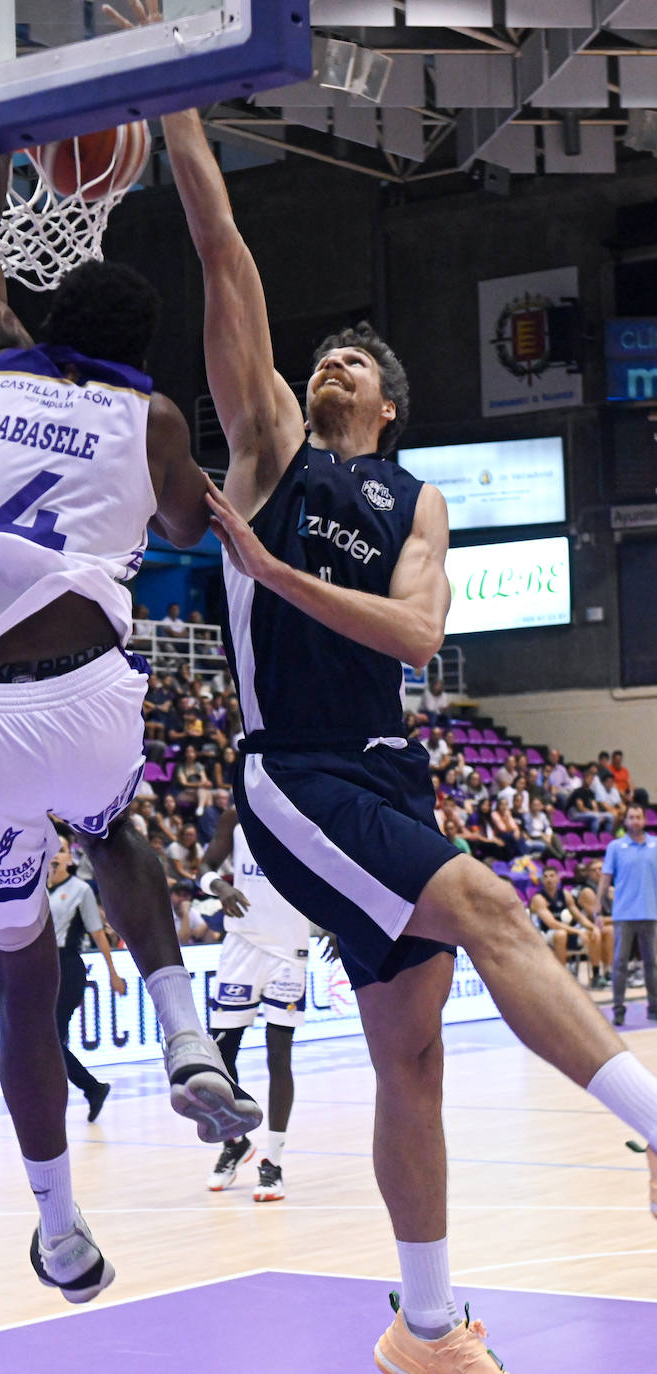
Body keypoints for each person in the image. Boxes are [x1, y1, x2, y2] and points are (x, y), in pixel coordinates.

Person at [152, 76, 657, 1372]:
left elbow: (418, 639)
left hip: (389, 770)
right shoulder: (267, 447)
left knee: (413, 1059)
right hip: (293, 777)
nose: (333, 359)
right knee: (493, 905)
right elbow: (220, 245)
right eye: (326, 351)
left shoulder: (416, 504)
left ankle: (424, 1327)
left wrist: (276, 576)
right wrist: (175, 103)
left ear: (387, 405)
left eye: (358, 361)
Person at [0, 146, 261, 1306]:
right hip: (89, 694)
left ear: (41, 316)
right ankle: (181, 1029)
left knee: (21, 982)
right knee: (115, 834)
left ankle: (59, 1232)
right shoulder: (149, 415)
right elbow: (177, 526)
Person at [201, 808, 312, 1202]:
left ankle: (274, 1164)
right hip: (242, 945)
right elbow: (205, 868)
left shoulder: (306, 816)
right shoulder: (234, 818)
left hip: (289, 950)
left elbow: (335, 878)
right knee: (219, 1057)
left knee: (279, 1057)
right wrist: (221, 888)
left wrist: (338, 926)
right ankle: (235, 1140)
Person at [48, 833, 125, 1122]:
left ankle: (92, 1087)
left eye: (62, 850)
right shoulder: (37, 888)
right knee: (48, 1041)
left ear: (70, 858)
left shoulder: (80, 889)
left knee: (51, 1038)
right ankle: (76, 1093)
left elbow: (97, 932)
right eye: (51, 849)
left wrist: (113, 973)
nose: (55, 854)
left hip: (68, 966)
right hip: (41, 968)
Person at [595, 804, 657, 1027]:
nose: (635, 821)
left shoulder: (655, 845)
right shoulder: (616, 846)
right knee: (620, 963)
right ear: (626, 821)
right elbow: (605, 878)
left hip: (650, 912)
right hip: (624, 914)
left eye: (638, 817)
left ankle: (654, 1007)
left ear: (644, 820)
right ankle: (618, 1009)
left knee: (652, 963)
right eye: (631, 817)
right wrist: (598, 907)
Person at [529, 864, 608, 986]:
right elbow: (552, 923)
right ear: (542, 880)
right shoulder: (538, 898)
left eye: (552, 876)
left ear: (558, 878)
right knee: (561, 934)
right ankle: (562, 977)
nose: (549, 879)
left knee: (593, 933)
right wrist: (577, 931)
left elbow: (579, 917)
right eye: (545, 877)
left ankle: (596, 975)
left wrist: (592, 927)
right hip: (546, 935)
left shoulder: (565, 894)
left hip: (568, 931)